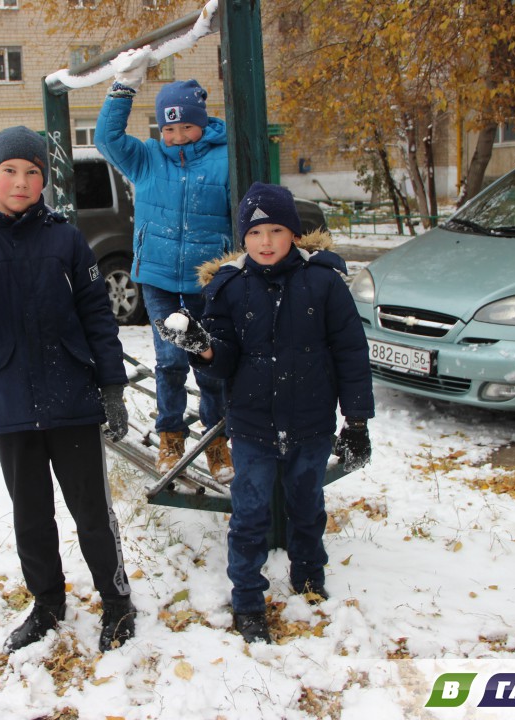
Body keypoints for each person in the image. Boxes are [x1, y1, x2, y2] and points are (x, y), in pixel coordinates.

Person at [0, 125, 136, 654]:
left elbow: (98, 316)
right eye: (10, 170)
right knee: (31, 516)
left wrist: (112, 387)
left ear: (43, 181)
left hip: (71, 398)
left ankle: (117, 602)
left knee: (91, 513)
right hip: (9, 400)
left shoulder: (66, 238)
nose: (21, 181)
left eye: (32, 172)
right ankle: (48, 603)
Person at [156, 182, 374, 645]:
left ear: (294, 233)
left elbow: (351, 353)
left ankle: (309, 577)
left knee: (307, 505)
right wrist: (206, 350)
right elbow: (224, 359)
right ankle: (248, 599)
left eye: (277, 230)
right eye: (256, 233)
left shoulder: (324, 283)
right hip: (253, 425)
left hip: (311, 422)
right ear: (244, 239)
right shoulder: (229, 287)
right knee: (250, 514)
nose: (267, 242)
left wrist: (356, 422)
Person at [94, 53, 234, 483]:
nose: (175, 136)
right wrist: (123, 89)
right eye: (168, 127)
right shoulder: (148, 157)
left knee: (208, 363)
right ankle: (171, 435)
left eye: (184, 126)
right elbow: (106, 137)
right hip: (156, 279)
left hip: (206, 280)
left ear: (202, 123)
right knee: (171, 360)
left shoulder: (225, 158)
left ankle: (216, 439)